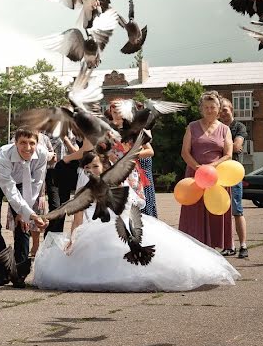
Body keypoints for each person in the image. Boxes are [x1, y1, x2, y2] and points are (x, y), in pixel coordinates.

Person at [33, 150, 240, 292]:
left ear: (105, 165)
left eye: (95, 166)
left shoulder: (120, 187)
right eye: (87, 168)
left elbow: (132, 213)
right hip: (94, 232)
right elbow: (78, 219)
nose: (91, 171)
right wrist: (73, 240)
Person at [0, 128, 48, 286]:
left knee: (23, 225)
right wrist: (27, 212)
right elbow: (9, 189)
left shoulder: (42, 154)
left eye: (31, 143)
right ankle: (1, 270)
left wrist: (26, 213)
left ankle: (20, 271)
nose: (27, 147)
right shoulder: (3, 156)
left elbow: (36, 184)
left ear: (37, 143)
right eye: (23, 143)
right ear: (15, 143)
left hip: (22, 184)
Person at [178, 90, 234, 249]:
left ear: (218, 108)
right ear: (201, 109)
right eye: (206, 107)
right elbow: (185, 152)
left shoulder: (225, 129)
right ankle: (193, 248)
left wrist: (210, 168)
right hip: (194, 178)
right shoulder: (192, 127)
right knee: (194, 214)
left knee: (215, 212)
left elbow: (228, 155)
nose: (209, 110)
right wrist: (198, 168)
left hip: (217, 180)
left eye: (213, 107)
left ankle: (215, 247)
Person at [218, 98, 249, 258]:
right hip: (217, 175)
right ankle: (229, 245)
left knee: (237, 210)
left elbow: (237, 147)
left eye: (225, 109)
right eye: (220, 109)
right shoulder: (216, 127)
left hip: (233, 173)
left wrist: (221, 146)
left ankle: (243, 245)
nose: (223, 112)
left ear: (231, 110)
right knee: (222, 211)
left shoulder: (239, 126)